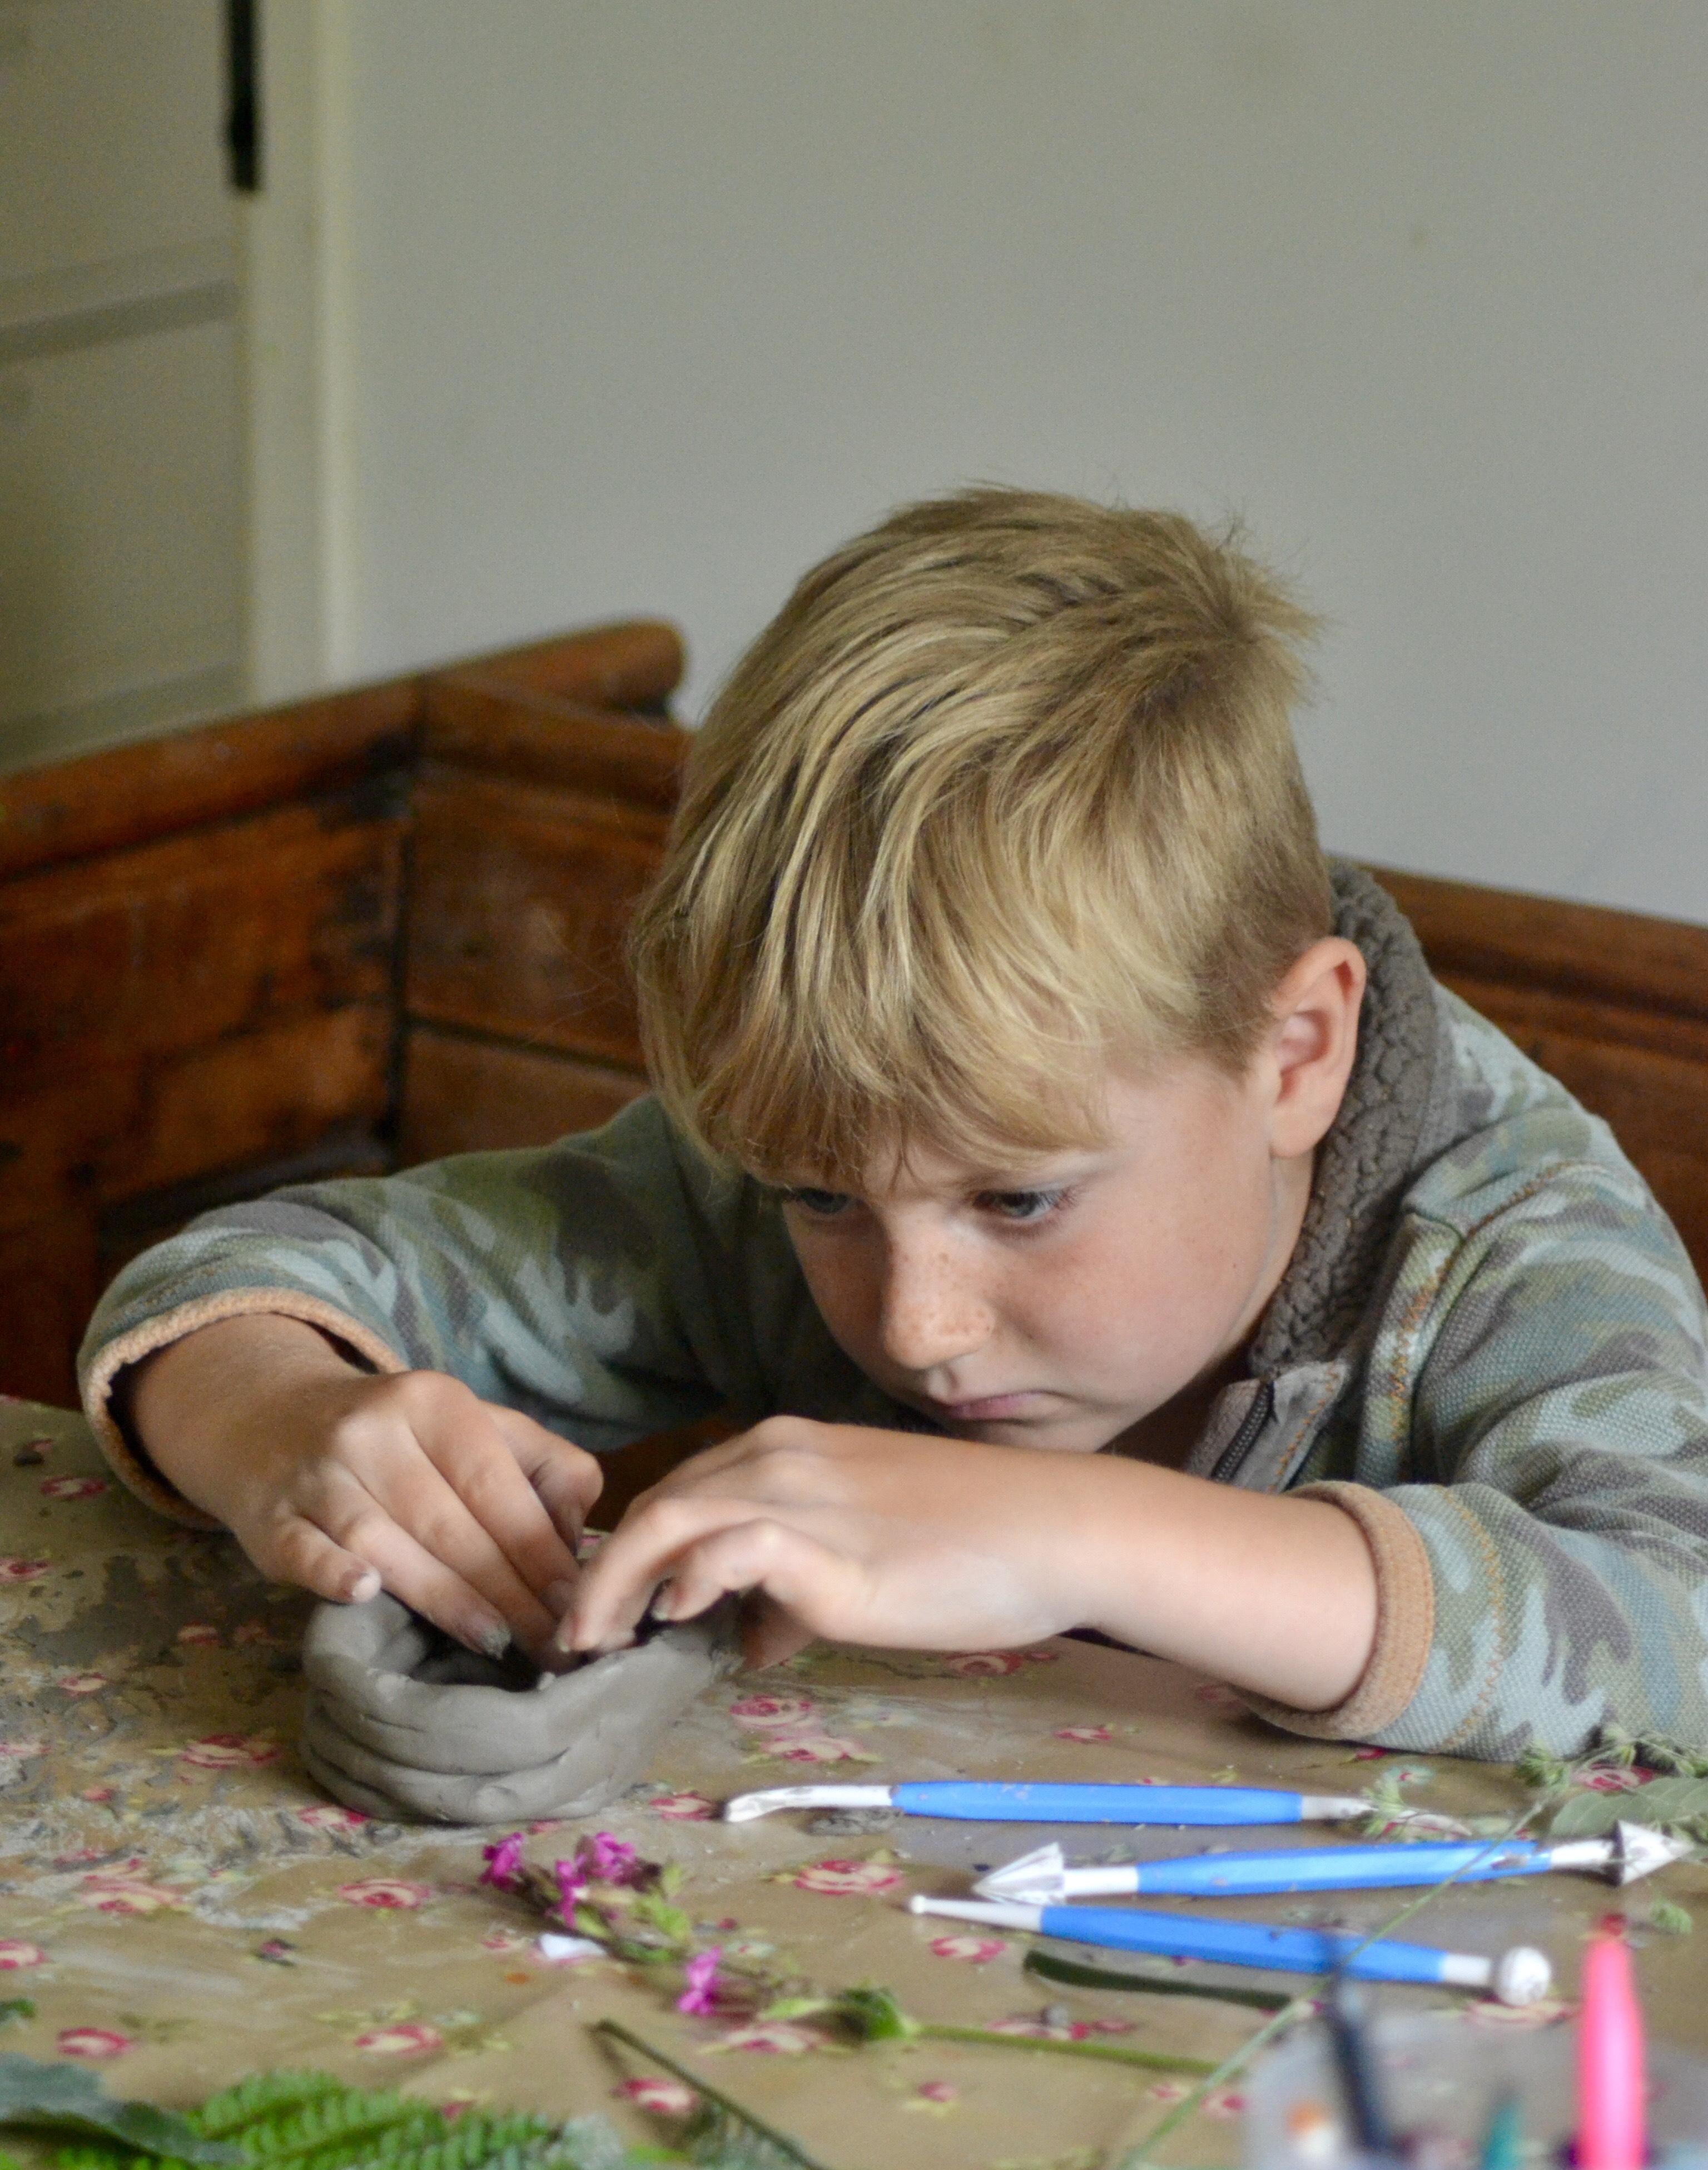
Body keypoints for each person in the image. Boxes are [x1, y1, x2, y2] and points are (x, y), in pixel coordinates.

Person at [79, 491, 1708, 1760]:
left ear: (1295, 1055)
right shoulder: (817, 1157)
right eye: (821, 1201)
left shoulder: (1512, 1246)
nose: (916, 1325)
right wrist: (274, 1415)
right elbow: (246, 1277)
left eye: (1018, 1202)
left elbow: (1675, 1629)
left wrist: (1074, 1537)